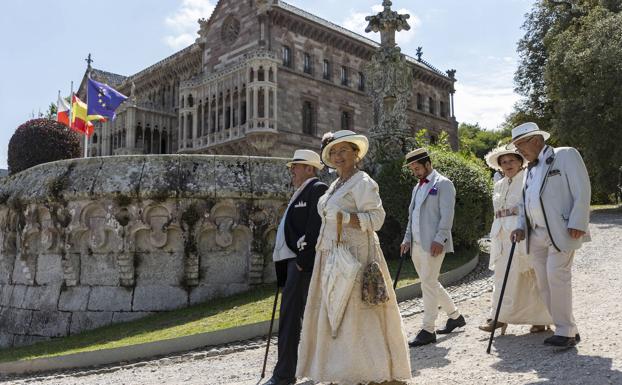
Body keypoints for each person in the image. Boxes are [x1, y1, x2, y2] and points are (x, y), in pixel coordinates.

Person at [297, 130, 411, 384]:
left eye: (343, 151)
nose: (338, 157)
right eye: (334, 152)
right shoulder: (335, 185)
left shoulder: (363, 182)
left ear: (356, 154)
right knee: (334, 308)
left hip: (355, 256)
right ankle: (339, 368)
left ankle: (369, 369)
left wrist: (346, 218)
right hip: (330, 254)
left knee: (358, 310)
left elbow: (377, 219)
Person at [508, 122, 591, 348]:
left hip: (561, 230)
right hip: (535, 235)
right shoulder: (528, 171)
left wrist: (578, 221)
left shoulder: (564, 155)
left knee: (557, 277)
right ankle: (568, 327)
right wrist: (519, 226)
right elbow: (524, 203)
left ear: (536, 140)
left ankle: (564, 331)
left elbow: (582, 190)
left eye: (521, 145)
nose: (519, 151)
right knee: (544, 284)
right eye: (516, 146)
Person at [264, 149, 328, 385]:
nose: (292, 171)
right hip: (292, 265)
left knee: (291, 320)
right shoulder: (299, 192)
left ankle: (284, 374)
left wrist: (302, 262)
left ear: (309, 168)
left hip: (302, 266)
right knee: (290, 318)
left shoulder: (317, 189)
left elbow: (315, 226)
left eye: (296, 166)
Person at [479, 146, 552, 335]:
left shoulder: (529, 179)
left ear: (520, 162)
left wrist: (525, 227)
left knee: (529, 275)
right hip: (500, 233)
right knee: (502, 276)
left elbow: (531, 207)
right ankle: (499, 317)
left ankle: (540, 319)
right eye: (504, 162)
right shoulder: (498, 184)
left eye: (512, 160)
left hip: (521, 232)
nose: (508, 164)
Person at [400, 148, 465, 347]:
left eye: (417, 167)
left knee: (427, 283)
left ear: (428, 163)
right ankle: (455, 316)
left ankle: (428, 329)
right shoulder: (416, 187)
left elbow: (447, 215)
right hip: (417, 246)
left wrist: (440, 239)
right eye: (412, 169)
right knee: (431, 282)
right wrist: (407, 239)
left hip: (434, 244)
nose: (415, 172)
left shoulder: (444, 184)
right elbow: (412, 217)